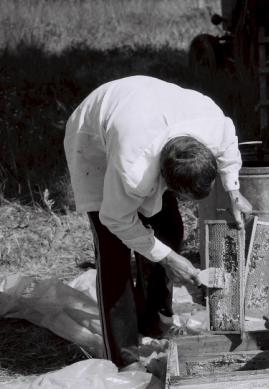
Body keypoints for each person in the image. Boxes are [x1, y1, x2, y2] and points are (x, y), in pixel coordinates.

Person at [64, 76, 252, 369]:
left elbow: (228, 149)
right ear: (166, 179)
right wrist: (171, 260)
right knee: (113, 253)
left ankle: (154, 318)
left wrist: (234, 192)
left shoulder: (215, 125)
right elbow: (116, 219)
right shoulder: (133, 169)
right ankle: (124, 356)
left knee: (171, 229)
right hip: (94, 137)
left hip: (149, 112)